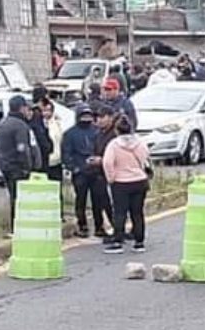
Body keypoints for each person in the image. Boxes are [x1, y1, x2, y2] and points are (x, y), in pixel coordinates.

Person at [102, 117, 150, 254]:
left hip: (121, 182)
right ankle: (139, 242)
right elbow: (146, 159)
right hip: (139, 180)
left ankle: (118, 241)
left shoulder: (114, 144)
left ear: (117, 130)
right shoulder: (140, 143)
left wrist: (111, 178)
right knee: (137, 212)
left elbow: (107, 163)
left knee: (120, 212)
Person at [62, 105, 111, 238]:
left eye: (89, 116)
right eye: (83, 116)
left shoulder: (97, 131)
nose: (86, 118)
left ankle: (99, 227)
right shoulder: (69, 134)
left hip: (96, 172)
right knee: (80, 201)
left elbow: (102, 149)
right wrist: (75, 168)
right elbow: (66, 154)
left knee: (98, 201)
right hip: (80, 173)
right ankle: (82, 226)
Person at [0, 94, 40, 230]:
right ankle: (20, 226)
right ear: (21, 108)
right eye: (27, 108)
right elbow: (23, 148)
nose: (28, 111)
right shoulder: (20, 126)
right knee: (20, 199)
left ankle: (16, 225)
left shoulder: (3, 123)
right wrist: (27, 168)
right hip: (18, 169)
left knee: (14, 197)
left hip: (7, 166)